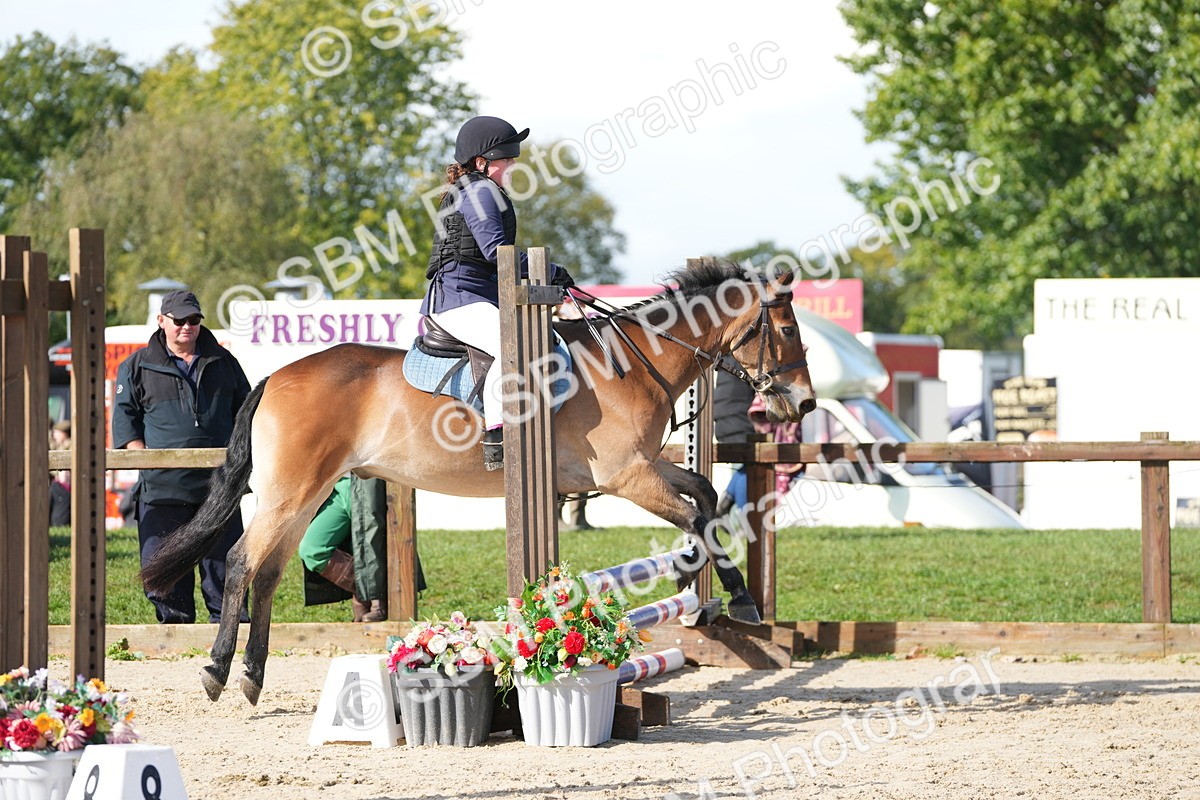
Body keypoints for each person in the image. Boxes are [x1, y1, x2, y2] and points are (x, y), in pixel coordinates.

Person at [421, 115, 574, 470]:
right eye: (507, 159)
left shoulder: (478, 189)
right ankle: (496, 435)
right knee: (513, 344)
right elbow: (496, 253)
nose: (513, 165)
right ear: (481, 162)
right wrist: (552, 271)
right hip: (460, 298)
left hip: (473, 294)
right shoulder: (480, 192)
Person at [111, 290, 252, 624]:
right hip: (162, 490)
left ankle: (229, 634)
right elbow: (125, 421)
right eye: (179, 320)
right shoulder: (135, 366)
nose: (187, 326)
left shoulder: (224, 362)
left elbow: (246, 413)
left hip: (218, 488)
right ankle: (173, 637)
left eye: (194, 320)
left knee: (225, 569)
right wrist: (145, 461)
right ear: (161, 321)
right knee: (164, 575)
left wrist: (240, 462)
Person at [298, 475, 395, 623]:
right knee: (312, 548)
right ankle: (366, 594)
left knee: (372, 543)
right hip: (336, 483)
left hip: (369, 480)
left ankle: (377, 599)